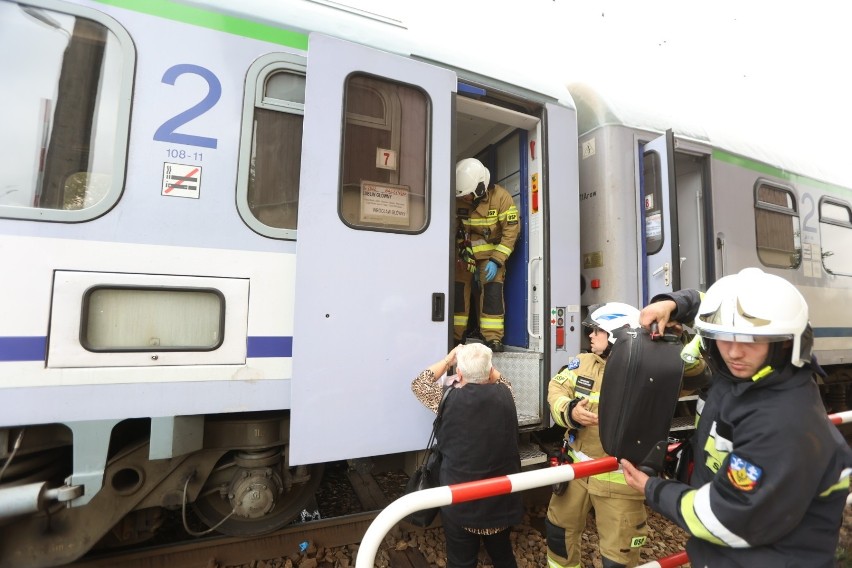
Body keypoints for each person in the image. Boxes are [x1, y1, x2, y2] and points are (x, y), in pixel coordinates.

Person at [622, 267, 852, 567]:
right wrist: (675, 304)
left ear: (785, 342)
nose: (734, 352)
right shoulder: (747, 373)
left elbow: (727, 518)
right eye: (723, 338)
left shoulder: (783, 424)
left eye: (750, 340)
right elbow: (719, 308)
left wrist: (654, 489)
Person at [545, 302, 649, 568]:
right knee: (558, 535)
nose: (590, 336)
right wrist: (569, 411)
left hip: (619, 478)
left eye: (597, 330)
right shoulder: (583, 363)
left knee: (618, 557)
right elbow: (556, 389)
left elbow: (691, 378)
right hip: (576, 471)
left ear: (617, 332)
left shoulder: (646, 367)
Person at [411, 343, 523, 568]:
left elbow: (419, 384)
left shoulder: (447, 399)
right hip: (500, 502)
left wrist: (449, 359)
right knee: (503, 557)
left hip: (460, 503)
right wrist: (486, 367)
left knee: (461, 562)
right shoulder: (506, 393)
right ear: (491, 372)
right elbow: (500, 379)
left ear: (459, 373)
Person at [454, 158, 520, 352]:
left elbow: (511, 233)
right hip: (465, 256)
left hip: (491, 257)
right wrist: (458, 255)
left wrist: (496, 260)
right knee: (458, 292)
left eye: (467, 195)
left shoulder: (501, 198)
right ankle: (456, 336)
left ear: (480, 187)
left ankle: (492, 339)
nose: (464, 199)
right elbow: (453, 229)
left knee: (492, 293)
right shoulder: (459, 200)